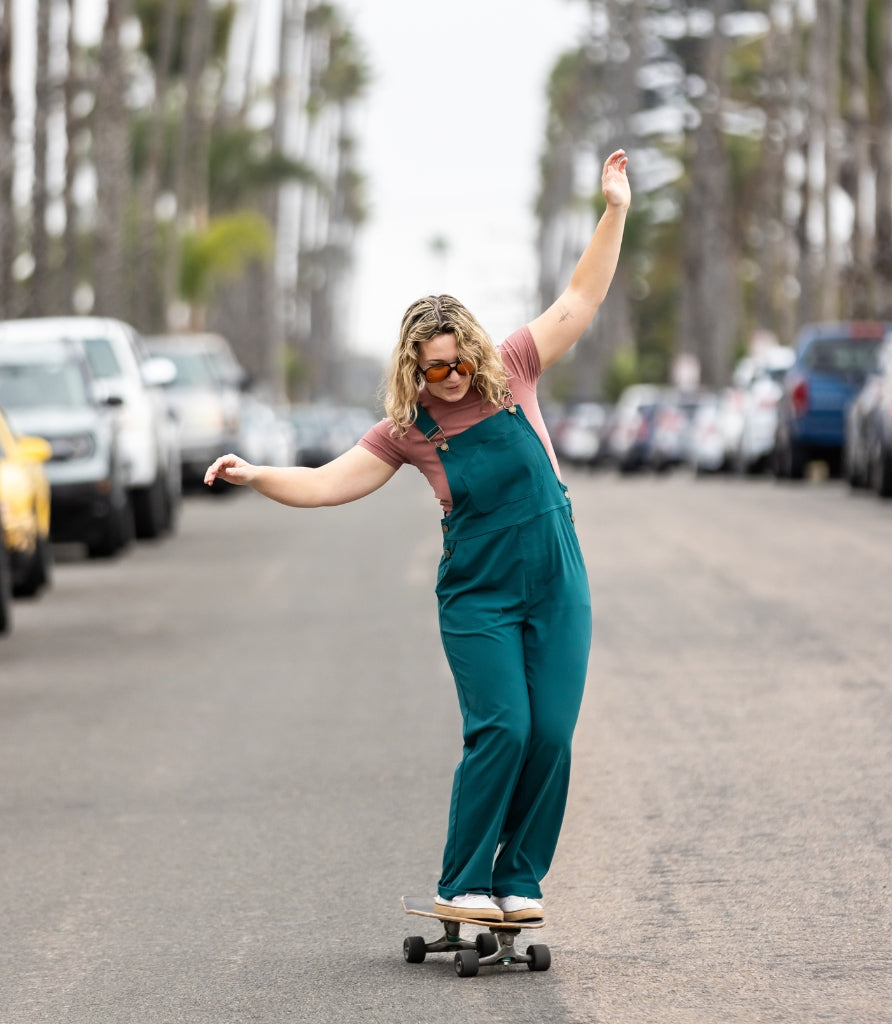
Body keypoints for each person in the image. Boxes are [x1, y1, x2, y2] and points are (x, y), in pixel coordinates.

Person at [205, 149, 630, 924]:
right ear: (414, 370)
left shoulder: (516, 367)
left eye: (459, 361)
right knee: (503, 726)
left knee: (554, 736)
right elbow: (331, 481)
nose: (454, 378)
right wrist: (259, 474)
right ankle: (462, 881)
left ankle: (519, 882)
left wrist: (614, 210)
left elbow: (581, 296)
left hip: (556, 578)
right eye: (435, 371)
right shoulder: (411, 430)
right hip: (479, 593)